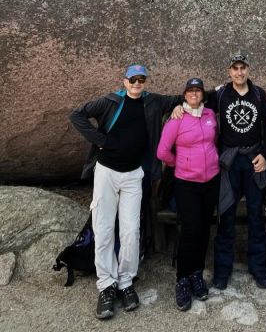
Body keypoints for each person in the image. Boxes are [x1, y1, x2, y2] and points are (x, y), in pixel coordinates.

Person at [70, 64, 183, 320]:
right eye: (133, 79)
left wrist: (215, 92)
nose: (137, 83)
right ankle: (106, 286)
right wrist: (101, 140)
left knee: (131, 230)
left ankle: (125, 281)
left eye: (141, 79)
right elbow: (77, 115)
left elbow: (183, 96)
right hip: (107, 172)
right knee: (104, 227)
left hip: (134, 174)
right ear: (125, 81)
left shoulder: (152, 101)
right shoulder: (110, 101)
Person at [209, 53, 266, 290]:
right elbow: (196, 105)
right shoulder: (220, 94)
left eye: (242, 68)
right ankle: (222, 270)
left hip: (254, 159)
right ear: (229, 71)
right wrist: (178, 107)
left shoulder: (259, 94)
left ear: (248, 69)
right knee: (226, 212)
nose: (239, 72)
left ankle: (258, 267)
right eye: (235, 68)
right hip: (229, 161)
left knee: (256, 213)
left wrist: (265, 155)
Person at [157, 78, 220, 311]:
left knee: (204, 228)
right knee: (190, 230)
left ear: (203, 94)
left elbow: (213, 141)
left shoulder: (210, 115)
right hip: (186, 183)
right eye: (190, 91)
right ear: (184, 94)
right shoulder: (176, 119)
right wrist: (181, 164)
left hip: (211, 180)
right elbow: (162, 151)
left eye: (198, 90)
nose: (194, 94)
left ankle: (196, 273)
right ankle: (182, 279)